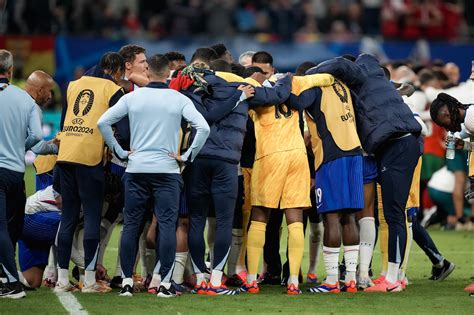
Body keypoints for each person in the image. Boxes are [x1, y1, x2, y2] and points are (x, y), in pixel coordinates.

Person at [98, 54, 210, 298]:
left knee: (131, 226)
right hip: (167, 171)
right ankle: (165, 285)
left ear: (147, 71)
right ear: (169, 72)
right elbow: (204, 128)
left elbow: (103, 122)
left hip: (137, 169)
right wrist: (188, 155)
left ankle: (127, 281)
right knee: (167, 226)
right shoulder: (178, 99)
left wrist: (119, 151)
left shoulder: (132, 97)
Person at [311, 54, 422, 292]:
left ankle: (386, 277)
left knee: (383, 214)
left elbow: (340, 66)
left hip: (378, 149)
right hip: (385, 148)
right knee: (379, 215)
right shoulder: (374, 82)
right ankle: (375, 275)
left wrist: (309, 75)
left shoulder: (350, 81)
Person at [54, 52, 125, 294]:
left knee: (68, 218)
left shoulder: (73, 85)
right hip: (90, 158)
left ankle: (62, 281)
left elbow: (64, 122)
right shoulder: (113, 90)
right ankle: (90, 280)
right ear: (116, 70)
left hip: (66, 155)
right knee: (93, 217)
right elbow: (122, 128)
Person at [286, 76, 363, 293]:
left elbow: (295, 102)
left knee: (331, 217)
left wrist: (285, 84)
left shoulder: (314, 89)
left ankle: (331, 280)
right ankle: (350, 279)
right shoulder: (343, 87)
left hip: (330, 156)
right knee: (349, 218)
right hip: (354, 153)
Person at [0, 49, 43, 299]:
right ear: (11, 70)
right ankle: (6, 275)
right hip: (16, 173)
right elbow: (37, 137)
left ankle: (13, 284)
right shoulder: (25, 98)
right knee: (11, 228)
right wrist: (20, 146)